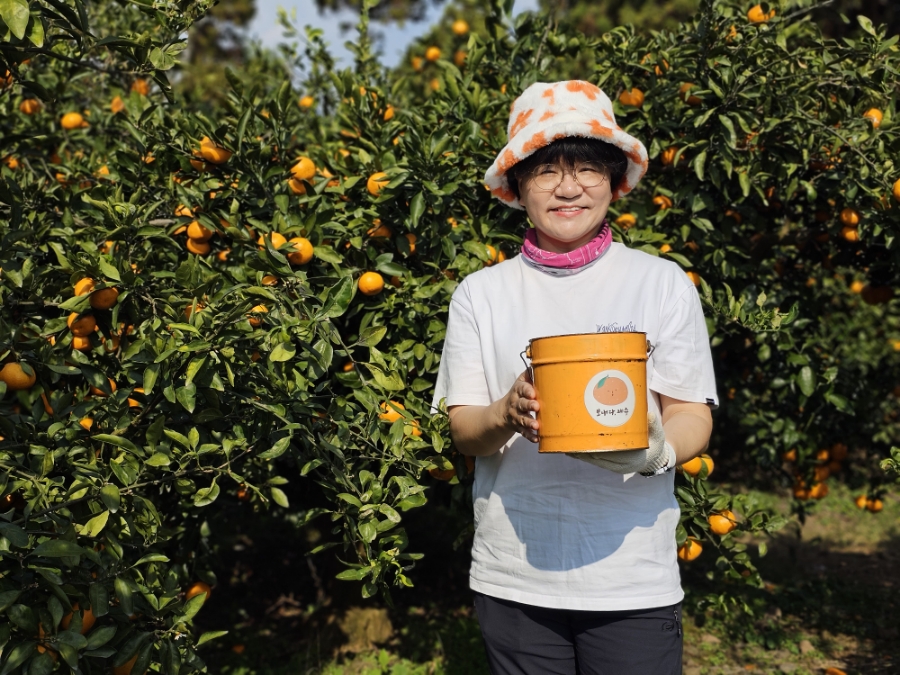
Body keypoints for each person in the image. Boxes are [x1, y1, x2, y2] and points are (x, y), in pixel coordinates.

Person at [431, 80, 718, 674]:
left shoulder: (661, 283)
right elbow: (464, 430)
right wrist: (505, 413)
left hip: (632, 578)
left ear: (615, 181)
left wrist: (658, 452)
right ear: (518, 187)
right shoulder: (481, 295)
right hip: (515, 575)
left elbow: (692, 412)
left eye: (587, 168)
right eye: (545, 171)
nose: (567, 187)